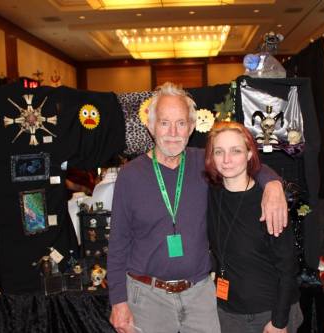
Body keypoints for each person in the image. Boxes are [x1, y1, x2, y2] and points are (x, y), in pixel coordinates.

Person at [108, 82, 288, 333]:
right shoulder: (129, 175)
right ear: (150, 126)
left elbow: (242, 160)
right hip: (147, 298)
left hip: (199, 295)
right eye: (164, 123)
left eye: (181, 123)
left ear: (191, 128)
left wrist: (273, 184)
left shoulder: (203, 163)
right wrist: (118, 302)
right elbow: (117, 244)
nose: (173, 132)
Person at [205, 122, 302, 333]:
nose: (227, 160)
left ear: (250, 154)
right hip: (228, 312)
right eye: (219, 152)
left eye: (236, 151)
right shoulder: (211, 193)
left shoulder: (269, 201)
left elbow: (288, 267)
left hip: (270, 313)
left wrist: (279, 321)